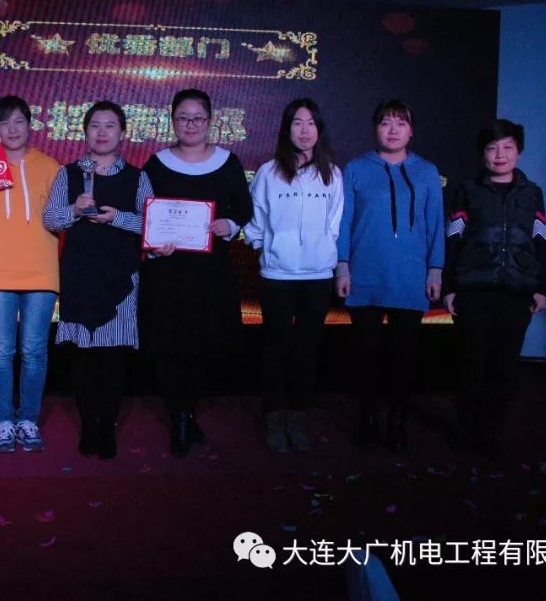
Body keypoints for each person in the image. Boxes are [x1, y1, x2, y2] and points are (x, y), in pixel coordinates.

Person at [139, 89, 253, 458]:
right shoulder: (156, 164)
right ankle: (180, 416)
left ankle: (188, 411)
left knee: (202, 345)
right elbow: (144, 212)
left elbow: (244, 207)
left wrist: (229, 224)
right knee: (169, 346)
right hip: (167, 271)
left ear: (210, 121)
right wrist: (153, 243)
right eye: (183, 118)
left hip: (210, 272)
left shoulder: (228, 162)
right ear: (172, 121)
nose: (190, 125)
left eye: (198, 118)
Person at [42, 101, 152, 460]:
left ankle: (107, 427)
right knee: (84, 356)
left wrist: (117, 217)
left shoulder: (137, 177)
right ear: (85, 131)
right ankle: (89, 425)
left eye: (110, 126)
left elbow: (152, 224)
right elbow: (50, 219)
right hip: (79, 275)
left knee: (113, 357)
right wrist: (74, 209)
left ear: (123, 134)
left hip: (120, 279)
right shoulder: (68, 174)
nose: (102, 133)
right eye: (95, 126)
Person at [335, 99, 445, 452]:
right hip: (365, 272)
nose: (393, 130)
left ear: (411, 130)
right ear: (375, 129)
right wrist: (342, 265)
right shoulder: (355, 168)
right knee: (366, 354)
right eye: (385, 122)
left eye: (401, 123)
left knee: (404, 356)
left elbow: (435, 224)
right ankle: (368, 418)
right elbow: (343, 222)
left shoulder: (427, 171)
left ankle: (398, 420)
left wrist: (435, 269)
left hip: (411, 275)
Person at [443, 119, 546, 458]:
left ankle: (491, 433)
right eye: (492, 148)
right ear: (482, 153)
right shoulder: (467, 191)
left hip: (516, 292)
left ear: (519, 151)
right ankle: (464, 430)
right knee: (471, 364)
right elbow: (453, 240)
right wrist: (450, 287)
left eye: (507, 147)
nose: (500, 155)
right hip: (474, 292)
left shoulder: (533, 194)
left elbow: (542, 241)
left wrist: (542, 287)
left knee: (504, 368)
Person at [244, 98, 343, 453]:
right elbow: (254, 220)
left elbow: (335, 222)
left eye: (311, 123)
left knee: (307, 349)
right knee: (275, 348)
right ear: (287, 129)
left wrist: (324, 252)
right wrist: (266, 248)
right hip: (277, 275)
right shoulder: (268, 172)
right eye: (297, 123)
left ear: (320, 129)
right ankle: (273, 416)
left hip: (318, 275)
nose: (304, 130)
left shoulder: (332, 173)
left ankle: (298, 416)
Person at [0, 95, 60, 453]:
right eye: (5, 123)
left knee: (35, 351)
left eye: (19, 121)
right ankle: (5, 422)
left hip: (41, 270)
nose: (12, 129)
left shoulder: (50, 166)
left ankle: (28, 419)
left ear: (30, 125)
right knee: (0, 351)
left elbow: (59, 219)